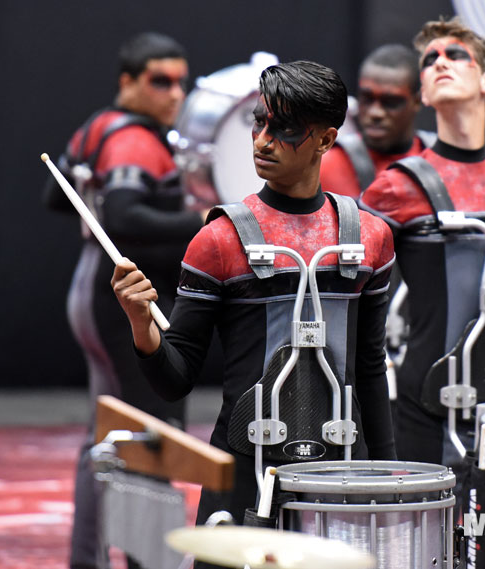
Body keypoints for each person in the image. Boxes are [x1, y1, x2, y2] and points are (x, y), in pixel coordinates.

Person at [111, 61, 397, 536]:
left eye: (284, 129)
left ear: (326, 140)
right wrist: (142, 325)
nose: (262, 140)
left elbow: (368, 370)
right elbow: (176, 379)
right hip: (243, 481)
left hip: (343, 477)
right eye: (259, 122)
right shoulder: (218, 240)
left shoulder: (371, 238)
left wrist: (388, 481)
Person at [42, 32, 204, 569]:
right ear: (127, 82)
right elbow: (125, 218)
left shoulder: (97, 127)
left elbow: (56, 194)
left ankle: (91, 558)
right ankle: (145, 557)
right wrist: (204, 220)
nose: (175, 93)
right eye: (160, 81)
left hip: (92, 287)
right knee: (147, 432)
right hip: (123, 300)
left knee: (107, 433)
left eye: (181, 81)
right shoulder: (134, 140)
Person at [359, 17, 485, 468]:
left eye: (455, 55)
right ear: (423, 94)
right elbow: (351, 295)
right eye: (430, 61)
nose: (440, 62)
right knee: (430, 533)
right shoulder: (397, 186)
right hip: (423, 405)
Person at [320, 43, 434, 199]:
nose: (376, 113)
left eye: (391, 102)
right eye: (367, 99)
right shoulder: (325, 167)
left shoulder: (437, 161)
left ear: (417, 101)